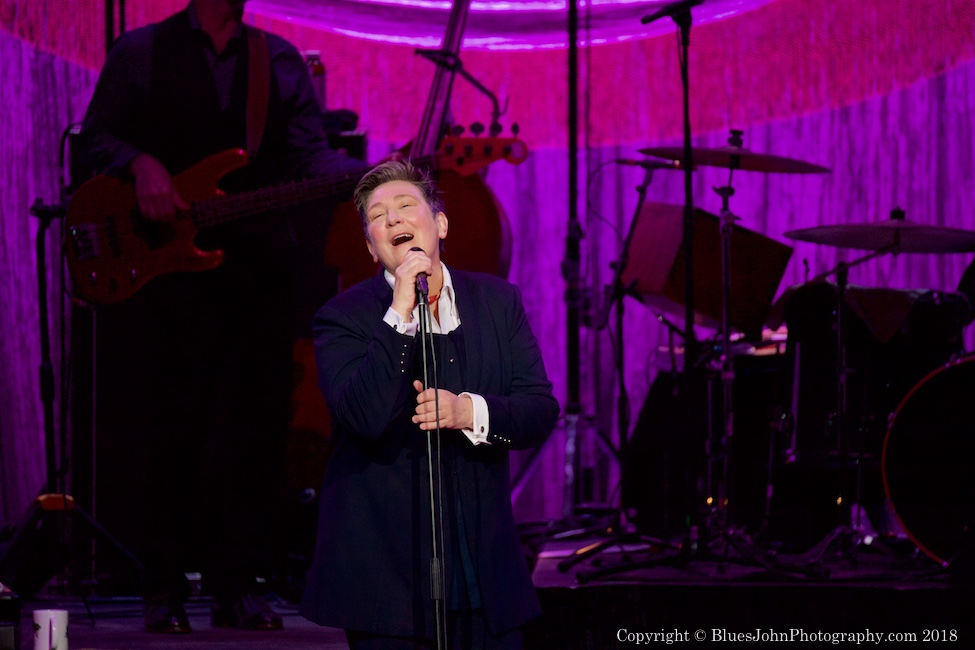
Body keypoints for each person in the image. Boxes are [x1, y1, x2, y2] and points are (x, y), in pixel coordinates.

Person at [78, 0, 371, 634]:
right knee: (174, 427)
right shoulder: (141, 51)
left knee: (257, 430)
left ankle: (239, 586)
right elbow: (96, 135)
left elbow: (310, 159)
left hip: (259, 269)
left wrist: (369, 177)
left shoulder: (279, 60)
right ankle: (163, 589)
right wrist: (141, 163)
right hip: (170, 274)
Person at [299, 160, 560, 649]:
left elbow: (538, 410)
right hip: (386, 578)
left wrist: (469, 413)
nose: (393, 220)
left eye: (405, 206)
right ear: (371, 246)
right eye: (378, 216)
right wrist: (398, 312)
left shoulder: (498, 302)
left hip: (485, 568)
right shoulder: (341, 318)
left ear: (439, 224)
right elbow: (365, 416)